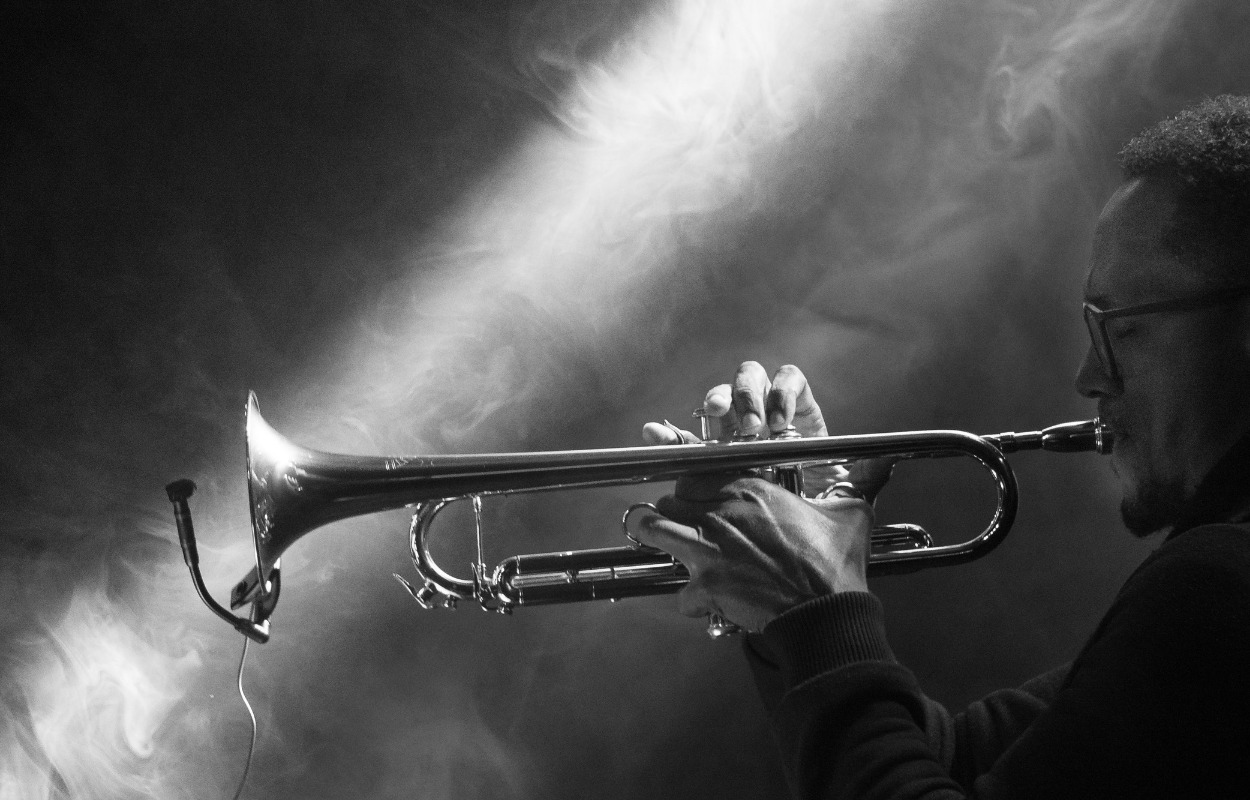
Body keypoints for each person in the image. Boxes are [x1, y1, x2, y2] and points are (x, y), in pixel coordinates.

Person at [633, 95, 1250, 799]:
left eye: (1122, 328)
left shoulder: (1220, 583)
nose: (1089, 377)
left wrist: (810, 605)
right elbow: (949, 762)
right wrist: (784, 581)